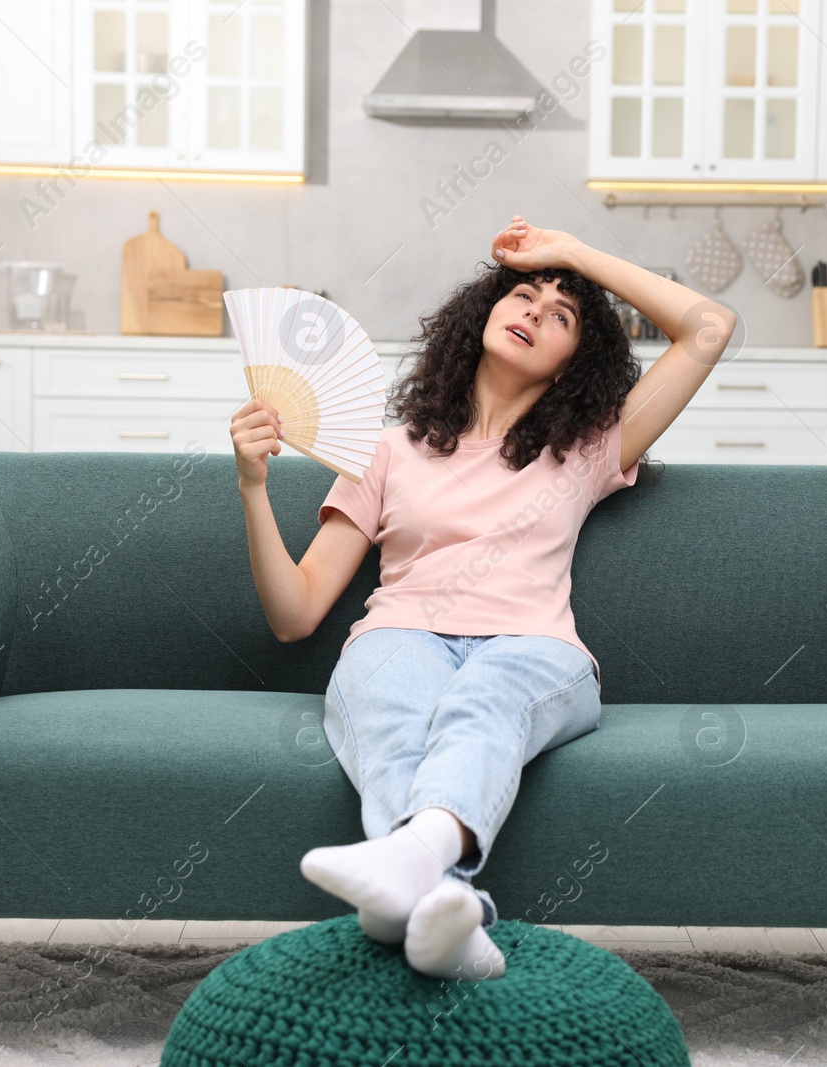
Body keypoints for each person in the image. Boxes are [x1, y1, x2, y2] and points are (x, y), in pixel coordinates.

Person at [229, 215, 736, 982]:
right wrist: (252, 486)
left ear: (575, 364)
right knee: (400, 717)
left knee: (480, 702)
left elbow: (709, 326)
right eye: (524, 295)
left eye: (561, 315)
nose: (535, 310)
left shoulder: (592, 444)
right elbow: (295, 612)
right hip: (401, 635)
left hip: (532, 650)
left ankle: (407, 877)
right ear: (483, 317)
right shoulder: (387, 450)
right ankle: (444, 912)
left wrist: (569, 254)